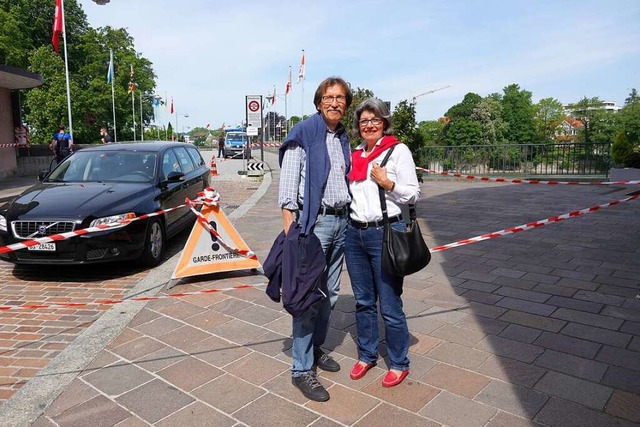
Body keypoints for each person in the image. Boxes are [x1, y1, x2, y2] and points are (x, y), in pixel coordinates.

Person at [278, 76, 353, 402]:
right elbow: (287, 191)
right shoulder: (304, 133)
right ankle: (301, 369)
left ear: (346, 104)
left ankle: (316, 348)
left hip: (342, 223)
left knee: (331, 294)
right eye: (329, 97)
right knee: (308, 297)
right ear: (319, 101)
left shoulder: (342, 138)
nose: (334, 102)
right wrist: (292, 234)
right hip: (315, 225)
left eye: (340, 98)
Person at [345, 98, 420, 388]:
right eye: (364, 121)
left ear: (384, 122)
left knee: (389, 303)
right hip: (355, 234)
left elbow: (413, 195)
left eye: (375, 119)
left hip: (385, 233)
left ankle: (399, 362)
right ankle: (366, 354)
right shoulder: (354, 155)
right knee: (364, 301)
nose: (369, 125)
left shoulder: (397, 151)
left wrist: (388, 183)